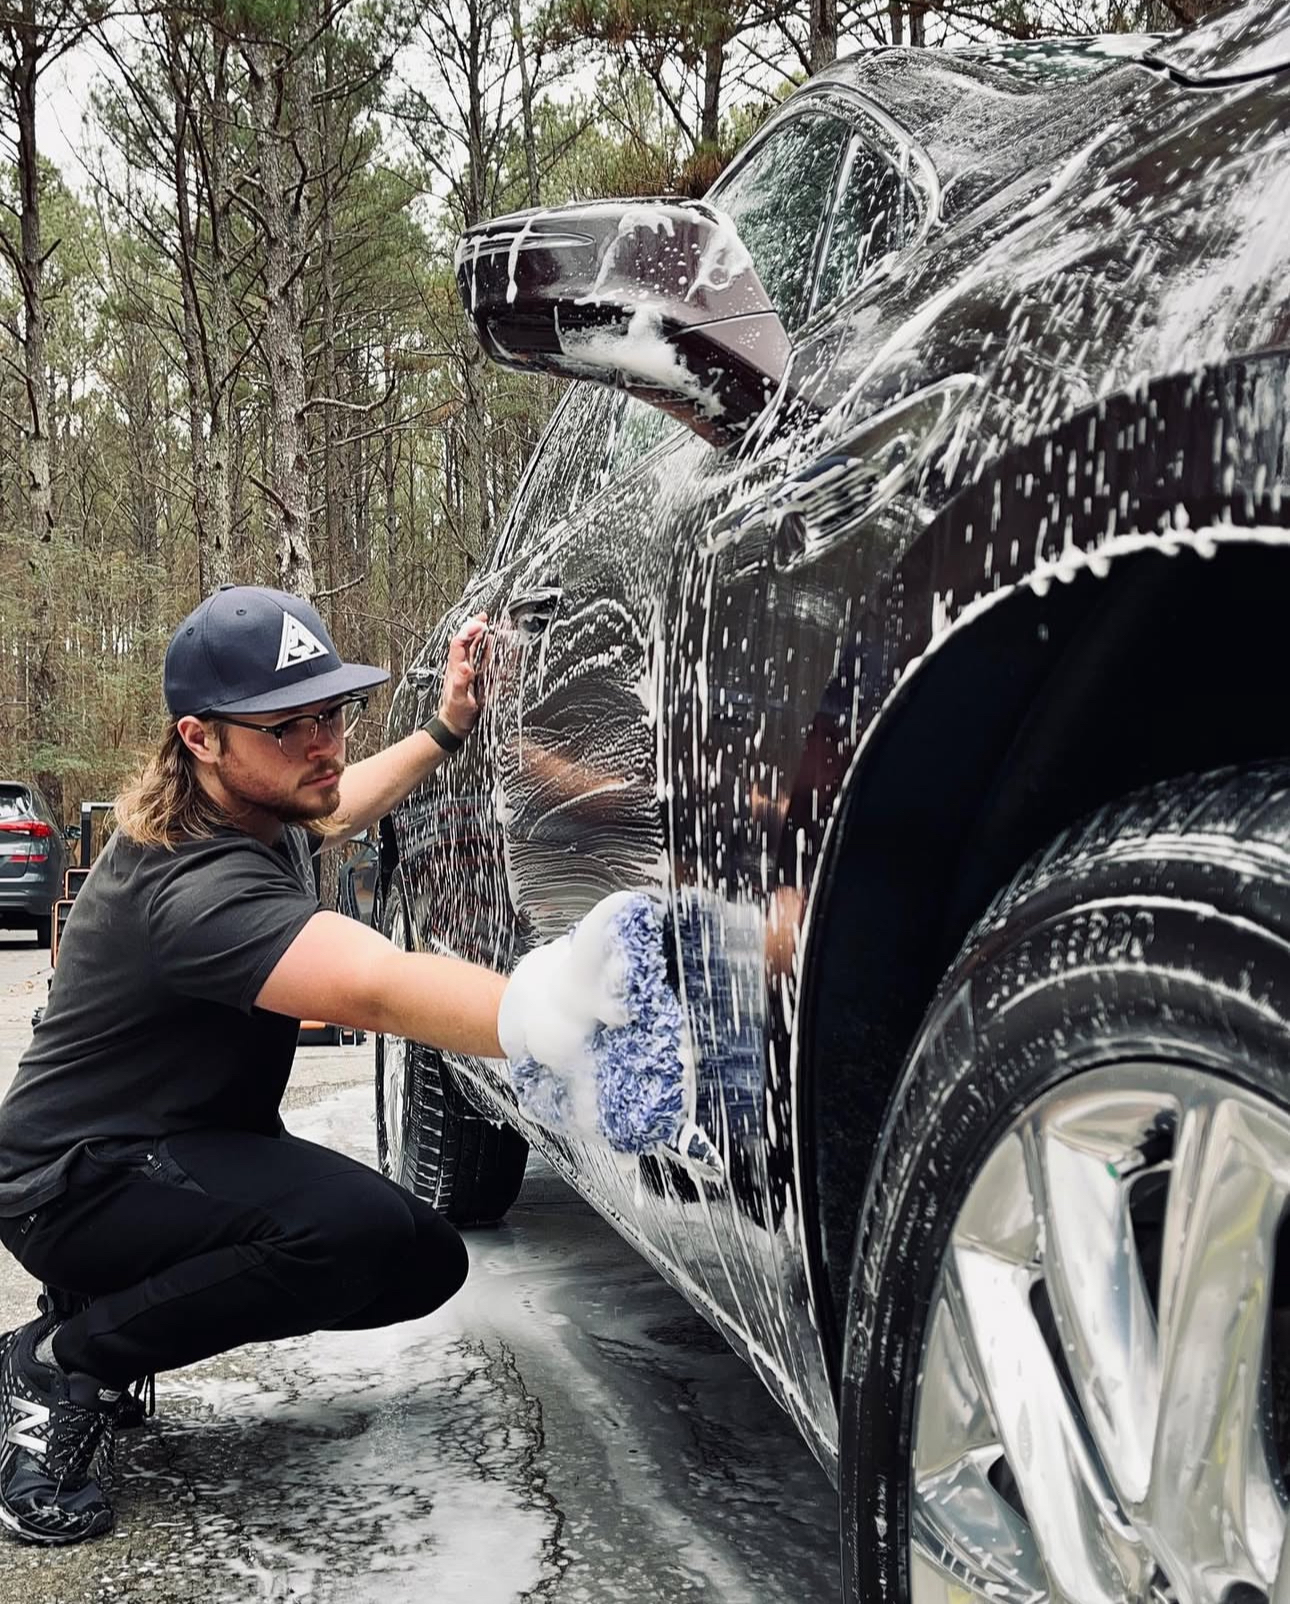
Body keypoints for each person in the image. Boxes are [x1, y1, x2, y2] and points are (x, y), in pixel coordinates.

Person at [0, 584, 556, 1547]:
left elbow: (336, 808)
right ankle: (60, 1359)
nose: (324, 746)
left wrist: (447, 728)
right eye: (288, 728)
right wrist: (589, 1014)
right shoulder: (195, 889)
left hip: (148, 1152)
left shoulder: (242, 809)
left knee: (419, 1260)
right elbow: (378, 988)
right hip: (72, 1187)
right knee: (351, 1236)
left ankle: (99, 1308)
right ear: (202, 738)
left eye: (332, 715)